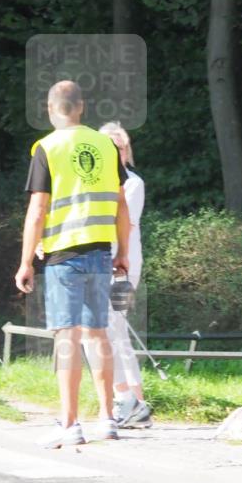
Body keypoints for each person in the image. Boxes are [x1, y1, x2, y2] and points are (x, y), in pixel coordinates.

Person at [15, 81, 131, 448]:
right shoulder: (106, 145)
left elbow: (37, 211)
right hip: (100, 251)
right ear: (81, 107)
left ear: (51, 109)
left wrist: (24, 263)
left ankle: (69, 424)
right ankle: (109, 419)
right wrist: (123, 252)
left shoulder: (46, 148)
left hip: (63, 255)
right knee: (98, 335)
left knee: (67, 338)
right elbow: (121, 205)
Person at [98, 122, 152, 428]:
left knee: (111, 326)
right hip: (97, 263)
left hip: (123, 266)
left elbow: (123, 224)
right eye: (107, 145)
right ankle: (134, 403)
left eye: (118, 146)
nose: (114, 151)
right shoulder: (96, 183)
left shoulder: (133, 183)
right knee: (109, 331)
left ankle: (128, 400)